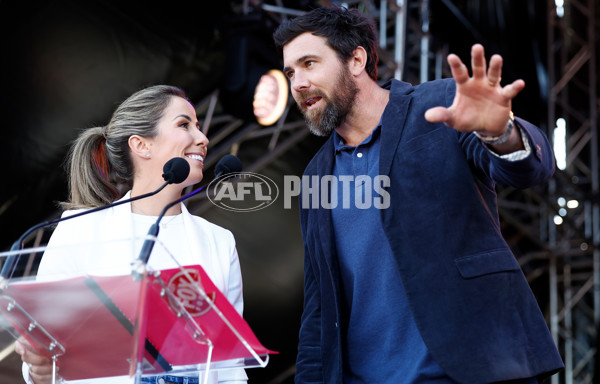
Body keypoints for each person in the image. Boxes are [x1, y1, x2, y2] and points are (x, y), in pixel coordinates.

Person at [273, 5, 564, 384]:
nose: (297, 83)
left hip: (476, 367)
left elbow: (528, 170)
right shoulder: (315, 174)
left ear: (356, 59)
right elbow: (320, 303)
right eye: (291, 72)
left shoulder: (438, 104)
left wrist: (499, 133)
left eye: (309, 63)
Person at [13, 85, 248, 384]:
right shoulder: (80, 229)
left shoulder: (219, 242)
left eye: (199, 128)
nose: (203, 139)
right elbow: (44, 346)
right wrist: (39, 368)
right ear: (141, 145)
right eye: (184, 125)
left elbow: (230, 367)